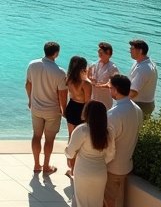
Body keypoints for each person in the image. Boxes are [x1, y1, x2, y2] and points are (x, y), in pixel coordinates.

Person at [26, 41, 67, 176]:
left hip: (36, 108)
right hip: (52, 111)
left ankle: (36, 164)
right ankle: (46, 166)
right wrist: (63, 110)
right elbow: (62, 94)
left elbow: (28, 84)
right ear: (56, 53)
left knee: (36, 136)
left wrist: (30, 100)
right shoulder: (60, 72)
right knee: (49, 139)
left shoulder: (33, 65)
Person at [65, 101, 115, 207]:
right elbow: (110, 154)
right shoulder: (108, 132)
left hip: (83, 172)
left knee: (82, 202)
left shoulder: (82, 130)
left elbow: (70, 153)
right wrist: (100, 162)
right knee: (97, 202)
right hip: (100, 172)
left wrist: (67, 151)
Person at [103, 74, 143, 207]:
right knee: (119, 200)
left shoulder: (114, 114)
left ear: (115, 89)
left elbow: (108, 145)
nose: (109, 90)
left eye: (110, 87)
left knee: (109, 201)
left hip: (113, 166)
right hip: (127, 164)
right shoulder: (137, 110)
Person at [64, 55, 92, 177]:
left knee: (71, 137)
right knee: (80, 139)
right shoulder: (86, 83)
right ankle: (74, 169)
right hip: (81, 110)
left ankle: (70, 165)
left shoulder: (69, 79)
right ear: (83, 67)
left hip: (71, 107)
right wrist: (85, 116)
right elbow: (87, 102)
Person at [127, 39, 157, 119]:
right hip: (143, 104)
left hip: (141, 105)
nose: (129, 51)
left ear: (140, 51)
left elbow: (133, 92)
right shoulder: (141, 62)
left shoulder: (144, 68)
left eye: (132, 49)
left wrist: (120, 99)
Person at [87, 43, 119, 108]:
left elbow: (112, 83)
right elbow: (87, 76)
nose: (99, 53)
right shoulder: (94, 64)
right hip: (93, 97)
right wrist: (90, 79)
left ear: (108, 53)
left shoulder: (113, 68)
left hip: (105, 100)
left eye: (101, 51)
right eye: (99, 51)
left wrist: (98, 85)